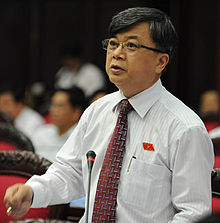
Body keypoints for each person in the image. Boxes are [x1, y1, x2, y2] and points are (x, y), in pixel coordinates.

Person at [4, 7, 214, 223]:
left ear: (160, 62)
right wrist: (32, 192)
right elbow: (71, 172)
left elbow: (193, 214)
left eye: (131, 45)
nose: (117, 53)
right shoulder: (97, 110)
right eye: (113, 44)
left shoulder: (185, 128)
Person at [31, 87, 87, 162]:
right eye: (52, 105)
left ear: (76, 112)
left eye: (59, 106)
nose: (52, 110)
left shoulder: (83, 138)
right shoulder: (40, 133)